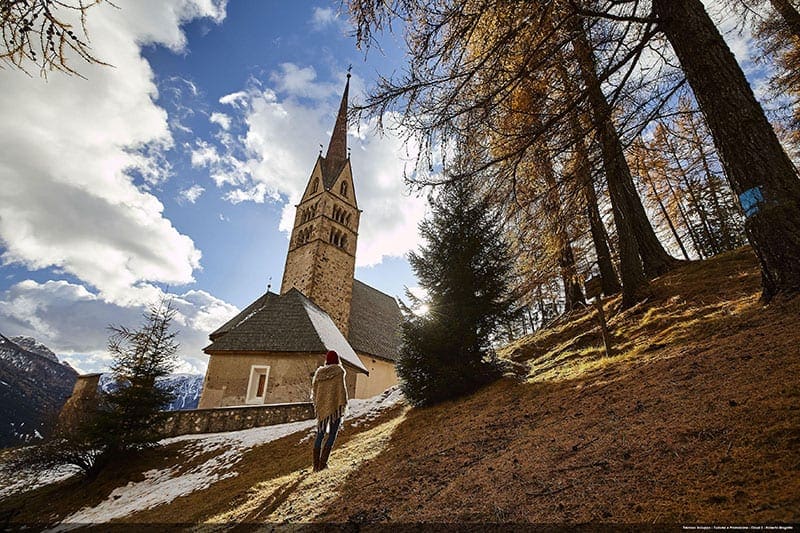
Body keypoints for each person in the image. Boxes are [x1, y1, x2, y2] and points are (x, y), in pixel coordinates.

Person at [311, 350, 348, 472]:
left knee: (320, 435)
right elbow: (341, 390)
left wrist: (319, 404)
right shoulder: (339, 371)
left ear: (327, 360)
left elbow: (315, 392)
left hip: (322, 409)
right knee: (332, 434)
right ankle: (323, 464)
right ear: (337, 359)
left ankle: (315, 466)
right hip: (335, 407)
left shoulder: (319, 374)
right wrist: (341, 403)